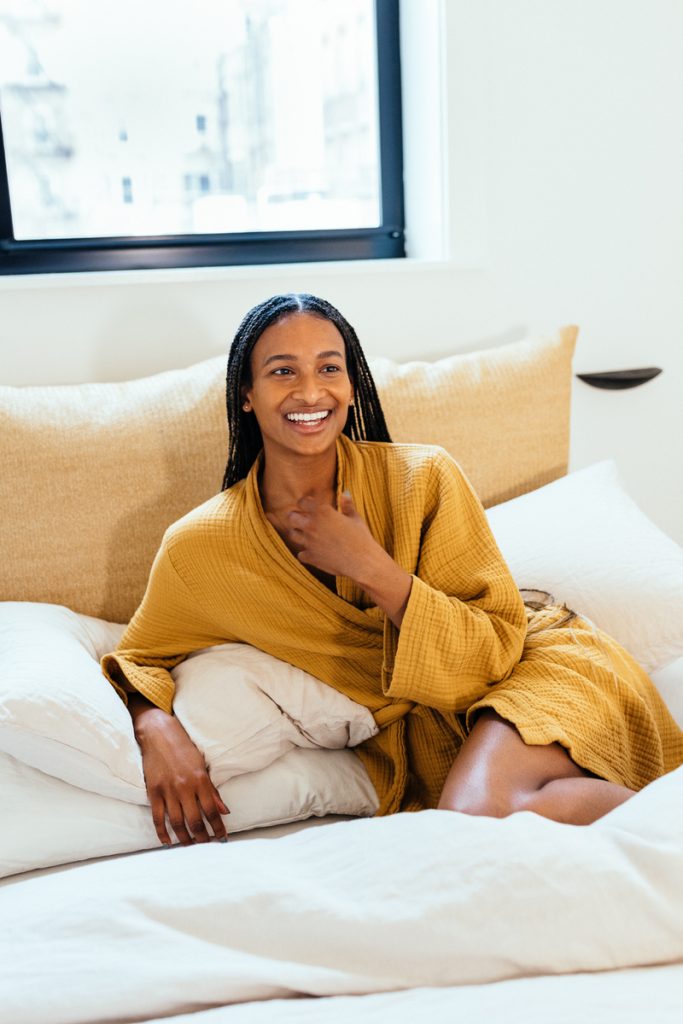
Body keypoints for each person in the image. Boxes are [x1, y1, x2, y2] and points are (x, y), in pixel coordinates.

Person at [101, 293, 683, 846]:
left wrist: (373, 569)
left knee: (478, 815)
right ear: (246, 394)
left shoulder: (423, 477)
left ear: (351, 387)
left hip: (535, 669)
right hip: (431, 735)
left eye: (330, 368)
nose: (310, 391)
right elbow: (141, 656)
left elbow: (494, 651)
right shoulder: (202, 547)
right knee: (499, 818)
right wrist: (156, 728)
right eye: (282, 371)